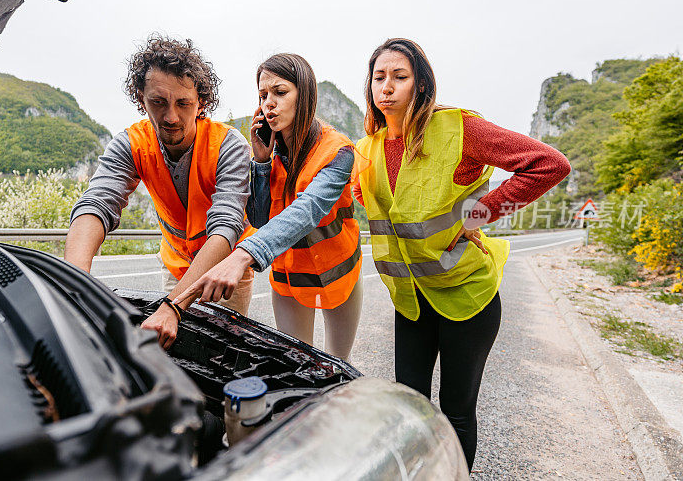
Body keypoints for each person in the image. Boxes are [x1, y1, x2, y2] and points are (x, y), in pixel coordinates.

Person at [354, 38, 571, 471]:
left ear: (421, 84)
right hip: (413, 300)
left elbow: (550, 164)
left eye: (400, 76)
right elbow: (357, 201)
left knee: (455, 413)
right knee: (409, 409)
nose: (387, 87)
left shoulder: (457, 129)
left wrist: (482, 213)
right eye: (379, 77)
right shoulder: (369, 149)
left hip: (467, 297)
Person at [65, 35, 255, 349]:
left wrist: (173, 305)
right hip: (176, 263)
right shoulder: (130, 143)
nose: (170, 117)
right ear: (141, 98)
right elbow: (97, 203)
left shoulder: (229, 145)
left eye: (183, 104)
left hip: (224, 270)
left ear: (201, 103)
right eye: (158, 102)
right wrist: (72, 283)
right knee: (170, 351)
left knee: (221, 354)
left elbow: (226, 225)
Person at [172, 53, 363, 361]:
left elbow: (307, 211)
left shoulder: (337, 151)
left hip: (338, 273)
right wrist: (260, 162)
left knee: (338, 365)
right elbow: (260, 219)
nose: (268, 103)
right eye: (263, 95)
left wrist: (240, 257)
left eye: (280, 92)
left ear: (305, 95)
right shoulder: (269, 152)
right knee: (297, 364)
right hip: (290, 278)